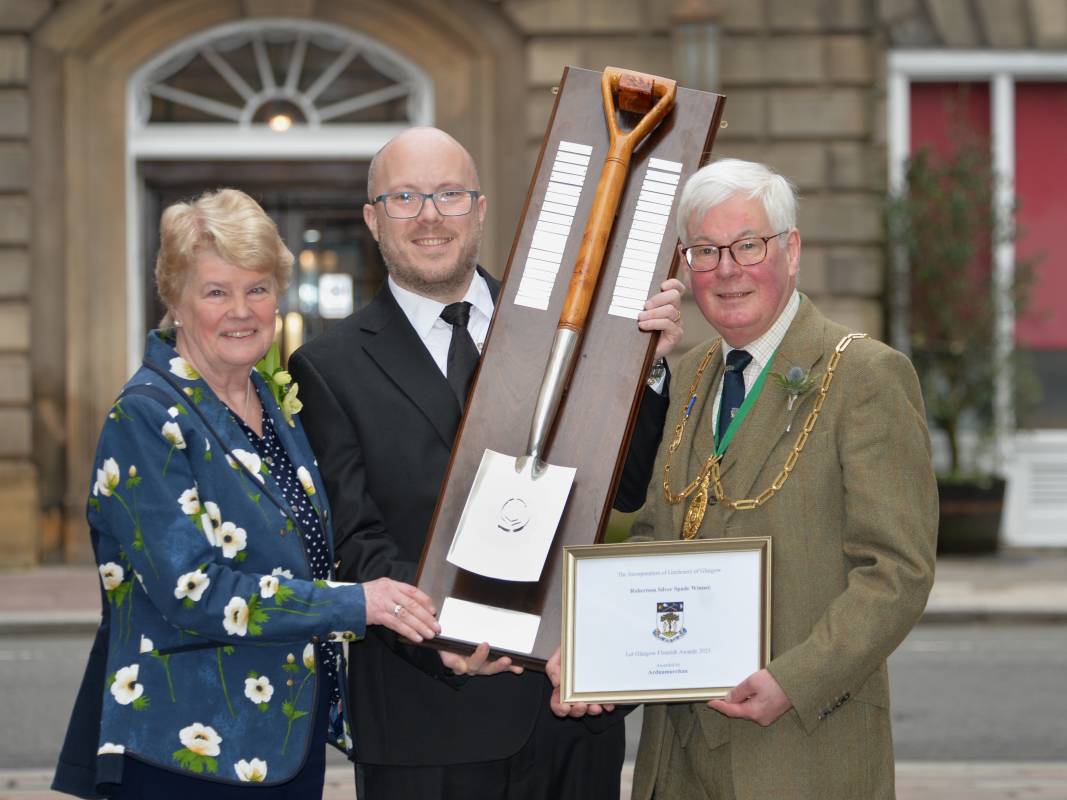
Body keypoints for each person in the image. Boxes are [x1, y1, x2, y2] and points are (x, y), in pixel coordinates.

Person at [287, 126, 684, 800]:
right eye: (404, 197)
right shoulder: (327, 367)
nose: (429, 216)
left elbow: (626, 489)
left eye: (448, 194)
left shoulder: (568, 327)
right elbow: (356, 539)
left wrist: (644, 368)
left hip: (569, 713)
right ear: (372, 220)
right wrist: (439, 637)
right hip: (426, 722)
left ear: (479, 208)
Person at [551, 158, 938, 799]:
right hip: (678, 761)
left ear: (792, 250)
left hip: (803, 753)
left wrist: (796, 680)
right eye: (705, 251)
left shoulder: (866, 374)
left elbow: (898, 572)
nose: (727, 269)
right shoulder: (688, 374)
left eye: (748, 245)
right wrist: (598, 649)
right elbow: (654, 539)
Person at [52, 188, 440, 799]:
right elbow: (193, 590)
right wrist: (356, 603)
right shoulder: (146, 417)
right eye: (216, 292)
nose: (241, 310)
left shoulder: (271, 403)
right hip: (187, 751)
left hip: (282, 742)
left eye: (257, 288)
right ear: (175, 302)